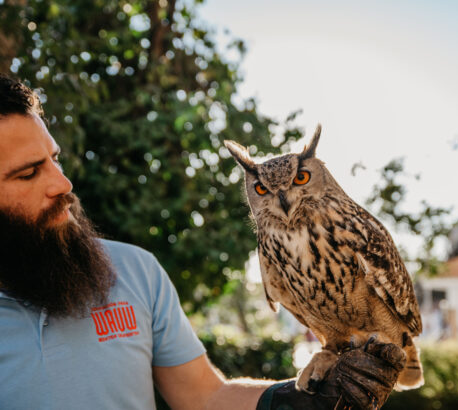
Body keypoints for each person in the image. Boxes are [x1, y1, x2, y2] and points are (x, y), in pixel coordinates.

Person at [0, 74, 404, 410]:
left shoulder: (135, 273)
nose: (63, 183)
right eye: (28, 173)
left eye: (55, 159)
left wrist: (294, 401)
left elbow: (203, 396)